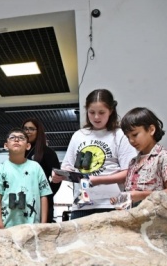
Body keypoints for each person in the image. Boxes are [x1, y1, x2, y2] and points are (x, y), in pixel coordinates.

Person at [52, 89, 136, 218]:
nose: (96, 117)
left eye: (101, 112)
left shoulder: (120, 135)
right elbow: (67, 166)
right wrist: (60, 175)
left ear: (111, 111)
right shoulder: (79, 135)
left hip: (112, 205)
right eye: (92, 112)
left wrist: (97, 180)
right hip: (82, 204)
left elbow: (129, 172)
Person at [111, 107, 167, 207]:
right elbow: (131, 196)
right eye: (128, 137)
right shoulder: (133, 162)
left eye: (135, 135)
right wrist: (120, 199)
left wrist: (140, 195)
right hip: (135, 218)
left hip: (158, 219)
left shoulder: (164, 157)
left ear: (151, 130)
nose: (131, 141)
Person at [0, 128, 52, 228]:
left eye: (21, 138)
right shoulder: (0, 169)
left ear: (28, 146)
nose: (16, 140)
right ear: (6, 145)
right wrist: (0, 226)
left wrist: (43, 225)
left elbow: (44, 195)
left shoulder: (36, 167)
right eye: (12, 138)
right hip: (8, 226)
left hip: (33, 226)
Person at [22, 118, 61, 223]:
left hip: (42, 202)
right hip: (21, 201)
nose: (27, 131)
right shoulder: (19, 151)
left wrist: (47, 195)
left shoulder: (47, 152)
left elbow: (58, 178)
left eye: (31, 129)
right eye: (25, 129)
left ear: (38, 132)